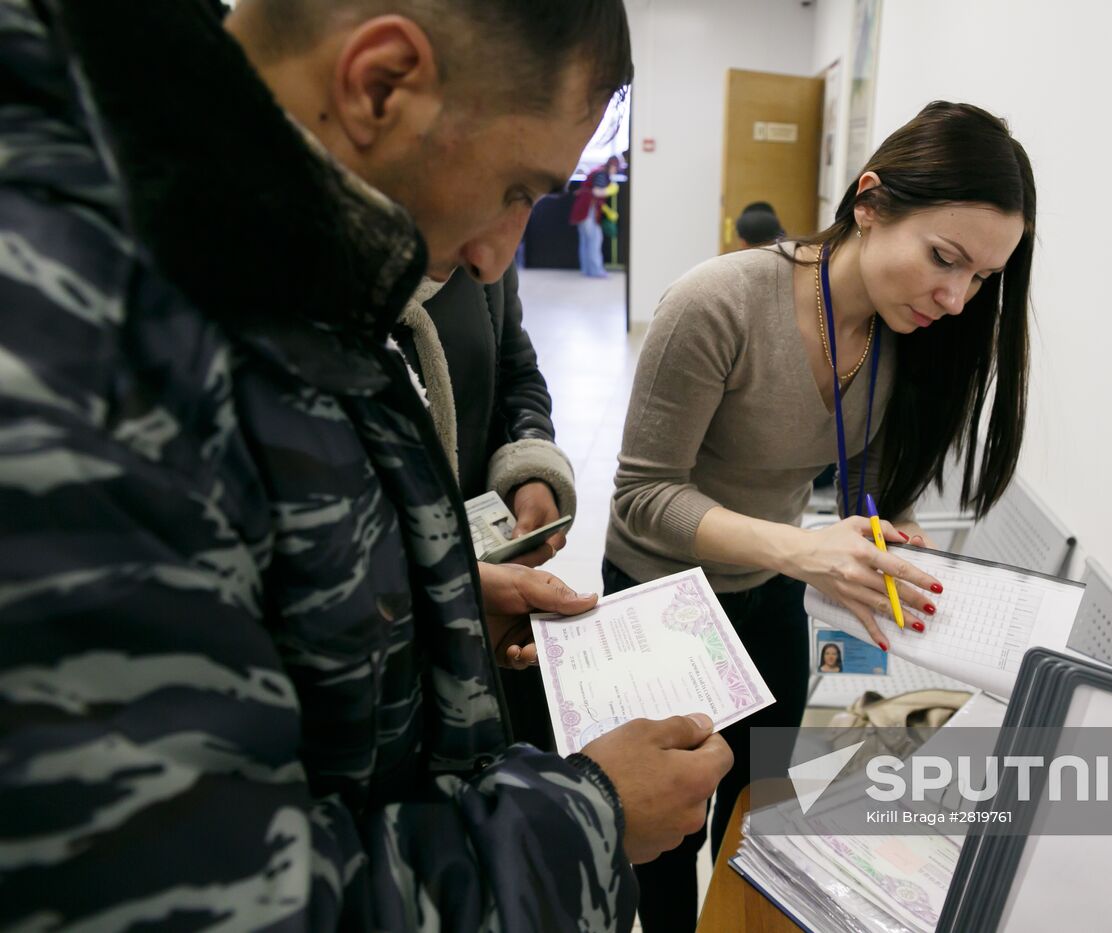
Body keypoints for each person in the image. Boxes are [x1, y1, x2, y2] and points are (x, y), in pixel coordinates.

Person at [0, 1, 731, 928]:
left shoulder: (264, 252)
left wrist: (430, 598)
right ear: (380, 83)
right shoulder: (72, 347)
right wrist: (590, 817)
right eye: (519, 188)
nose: (497, 254)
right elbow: (202, 900)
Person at [606, 100, 1037, 928]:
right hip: (661, 595)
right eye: (945, 259)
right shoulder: (718, 302)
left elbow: (870, 487)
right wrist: (804, 549)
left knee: (754, 807)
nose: (956, 298)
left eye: (981, 278)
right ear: (869, 202)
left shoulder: (898, 335)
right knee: (662, 836)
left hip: (769, 588)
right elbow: (643, 496)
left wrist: (885, 553)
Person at [396, 264, 576, 748]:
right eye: (514, 194)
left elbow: (515, 373)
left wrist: (531, 468)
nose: (494, 254)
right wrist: (456, 587)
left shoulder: (484, 264)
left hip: (484, 603)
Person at [572, 155, 620, 277]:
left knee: (586, 241)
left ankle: (587, 270)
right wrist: (611, 189)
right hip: (587, 211)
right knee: (594, 239)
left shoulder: (598, 171)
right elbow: (596, 191)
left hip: (583, 210)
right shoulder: (601, 173)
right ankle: (596, 271)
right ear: (613, 166)